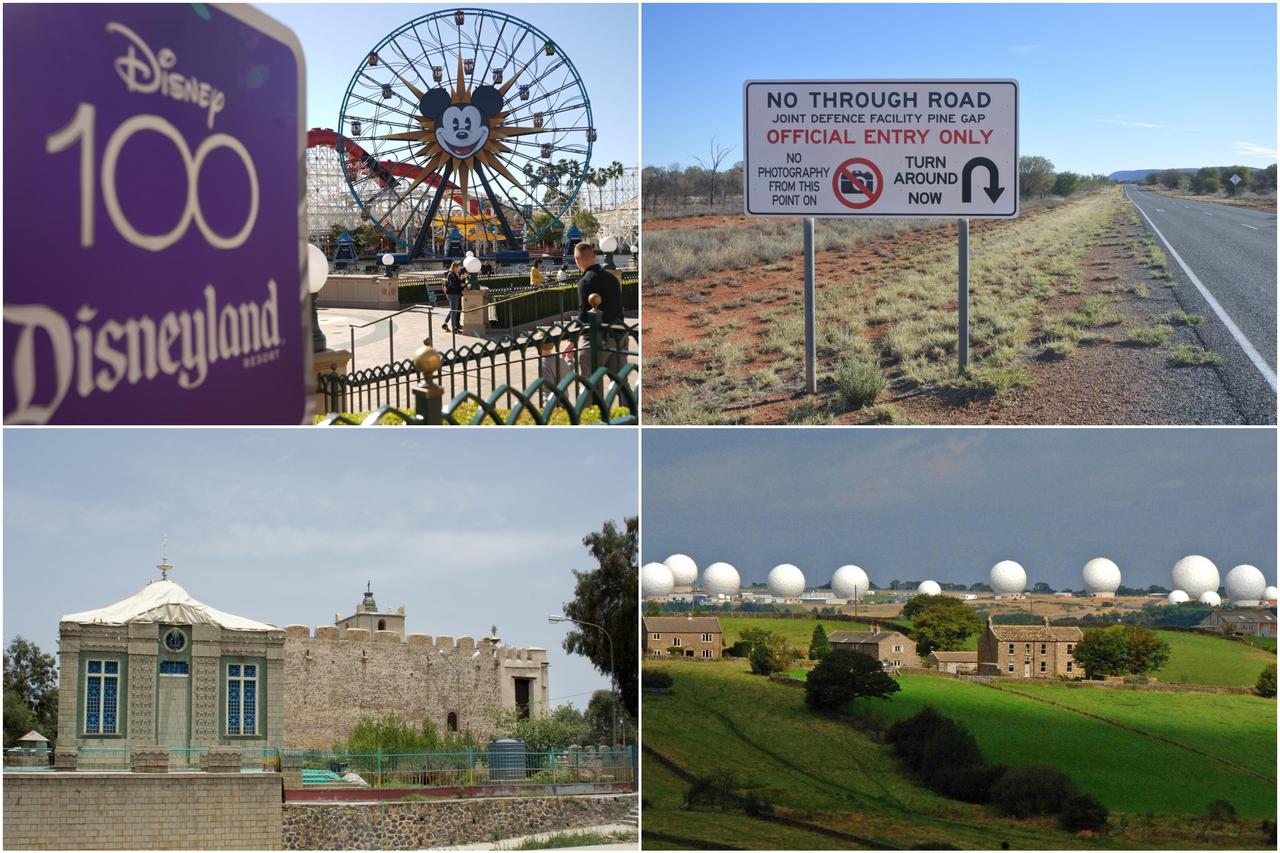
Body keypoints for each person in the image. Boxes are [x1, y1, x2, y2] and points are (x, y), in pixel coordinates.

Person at [573, 242, 627, 381]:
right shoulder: (612, 278)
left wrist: (572, 339)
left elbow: (584, 313)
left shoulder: (585, 281)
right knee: (621, 384)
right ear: (594, 257)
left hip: (597, 339)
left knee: (589, 385)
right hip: (618, 335)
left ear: (577, 260)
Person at [442, 261, 464, 332]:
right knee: (454, 310)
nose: (460, 268)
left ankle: (445, 324)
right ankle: (454, 328)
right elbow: (454, 285)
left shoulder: (454, 274)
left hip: (454, 294)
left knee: (452, 310)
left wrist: (462, 280)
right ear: (454, 267)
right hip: (452, 294)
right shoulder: (451, 274)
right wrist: (461, 284)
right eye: (458, 267)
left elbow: (457, 284)